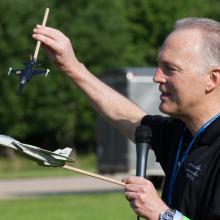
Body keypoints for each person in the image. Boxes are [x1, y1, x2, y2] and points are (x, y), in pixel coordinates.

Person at [32, 17, 220, 220]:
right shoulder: (184, 132)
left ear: (212, 79)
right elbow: (129, 118)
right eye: (159, 66)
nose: (157, 77)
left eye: (170, 69)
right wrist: (71, 66)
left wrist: (161, 214)